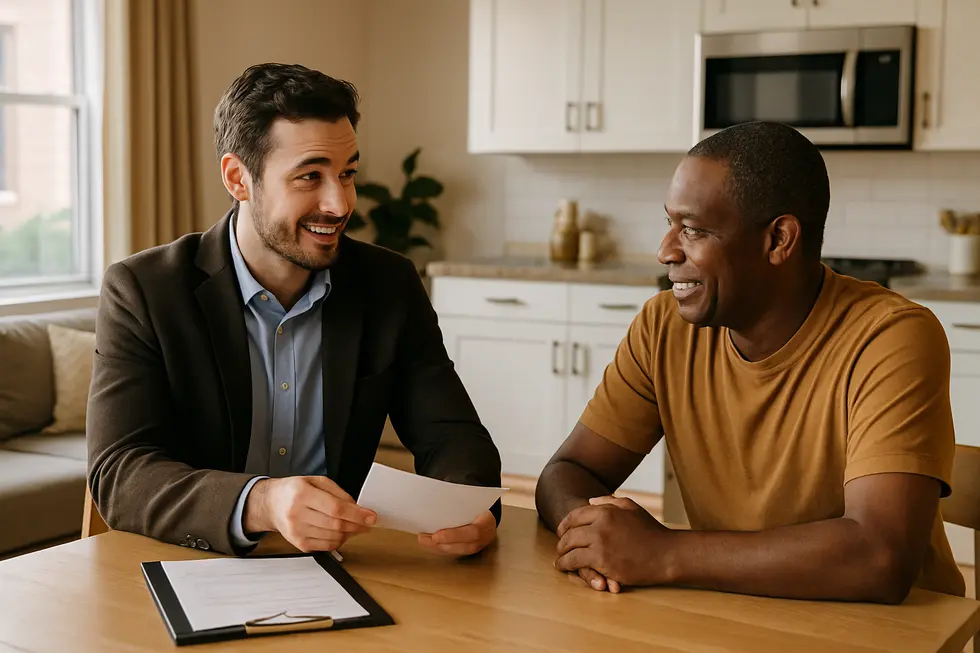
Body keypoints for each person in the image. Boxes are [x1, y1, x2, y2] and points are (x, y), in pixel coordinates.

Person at [535, 121, 964, 603]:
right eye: (670, 223)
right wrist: (594, 539)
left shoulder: (890, 337)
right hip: (734, 611)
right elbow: (567, 471)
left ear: (779, 239)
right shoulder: (663, 327)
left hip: (891, 630)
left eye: (692, 229)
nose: (665, 251)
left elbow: (879, 556)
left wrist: (663, 552)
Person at [87, 63, 501, 557]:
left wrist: (466, 506)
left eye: (347, 174)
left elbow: (452, 435)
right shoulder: (144, 290)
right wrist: (261, 502)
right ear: (238, 179)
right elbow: (120, 473)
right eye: (310, 176)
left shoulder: (388, 285)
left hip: (343, 566)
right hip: (191, 562)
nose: (339, 204)